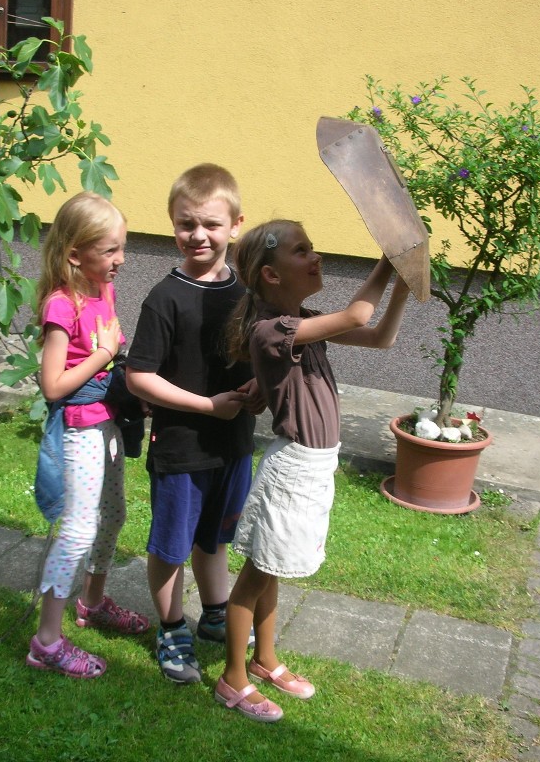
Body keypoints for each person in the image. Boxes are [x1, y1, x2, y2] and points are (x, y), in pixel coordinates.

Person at [217, 219, 411, 721]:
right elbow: (358, 314)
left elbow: (380, 336)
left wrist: (402, 287)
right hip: (293, 470)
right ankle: (232, 678)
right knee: (256, 577)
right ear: (271, 274)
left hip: (316, 467)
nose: (316, 257)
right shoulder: (273, 330)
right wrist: (387, 262)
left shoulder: (299, 320)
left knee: (273, 569)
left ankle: (265, 659)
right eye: (302, 251)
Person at [126, 164, 261, 684]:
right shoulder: (165, 297)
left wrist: (259, 389)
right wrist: (207, 406)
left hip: (234, 444)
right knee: (171, 545)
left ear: (236, 225)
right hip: (182, 447)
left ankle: (215, 613)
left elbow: (257, 355)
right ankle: (170, 627)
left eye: (210, 224)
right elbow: (139, 376)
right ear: (172, 223)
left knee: (216, 538)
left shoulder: (247, 291)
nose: (198, 235)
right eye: (186, 224)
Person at [26, 191, 150, 679]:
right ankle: (46, 642)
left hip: (108, 422)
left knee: (114, 516)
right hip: (79, 430)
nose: (121, 259)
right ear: (75, 253)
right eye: (110, 249)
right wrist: (103, 354)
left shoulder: (103, 290)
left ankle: (92, 603)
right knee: (78, 531)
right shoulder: (62, 306)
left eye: (122, 247)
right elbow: (53, 385)